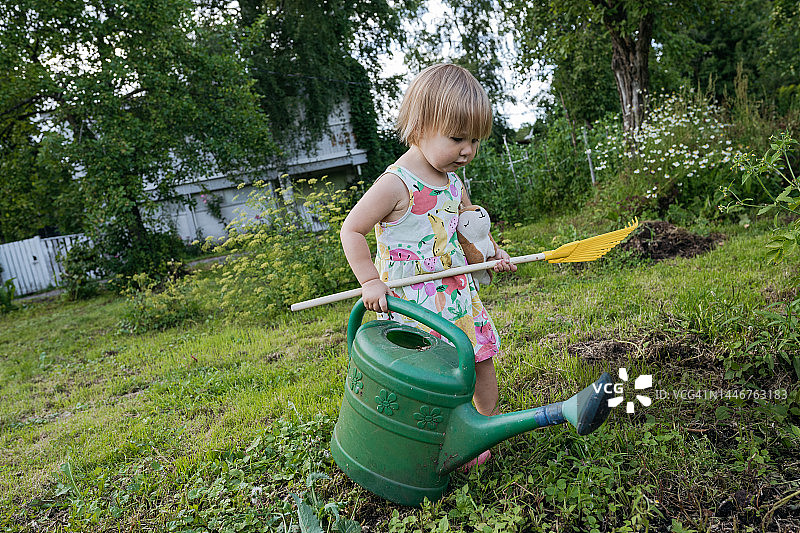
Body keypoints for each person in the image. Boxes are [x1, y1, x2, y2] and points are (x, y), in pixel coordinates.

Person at [339, 63, 516, 469]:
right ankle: (430, 442)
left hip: (456, 293)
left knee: (480, 359)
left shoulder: (454, 181)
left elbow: (468, 228)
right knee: (431, 375)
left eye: (474, 140)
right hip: (415, 300)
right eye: (457, 138)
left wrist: (492, 254)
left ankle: (480, 431)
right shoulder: (396, 184)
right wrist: (370, 280)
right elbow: (352, 229)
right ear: (420, 127)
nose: (467, 150)